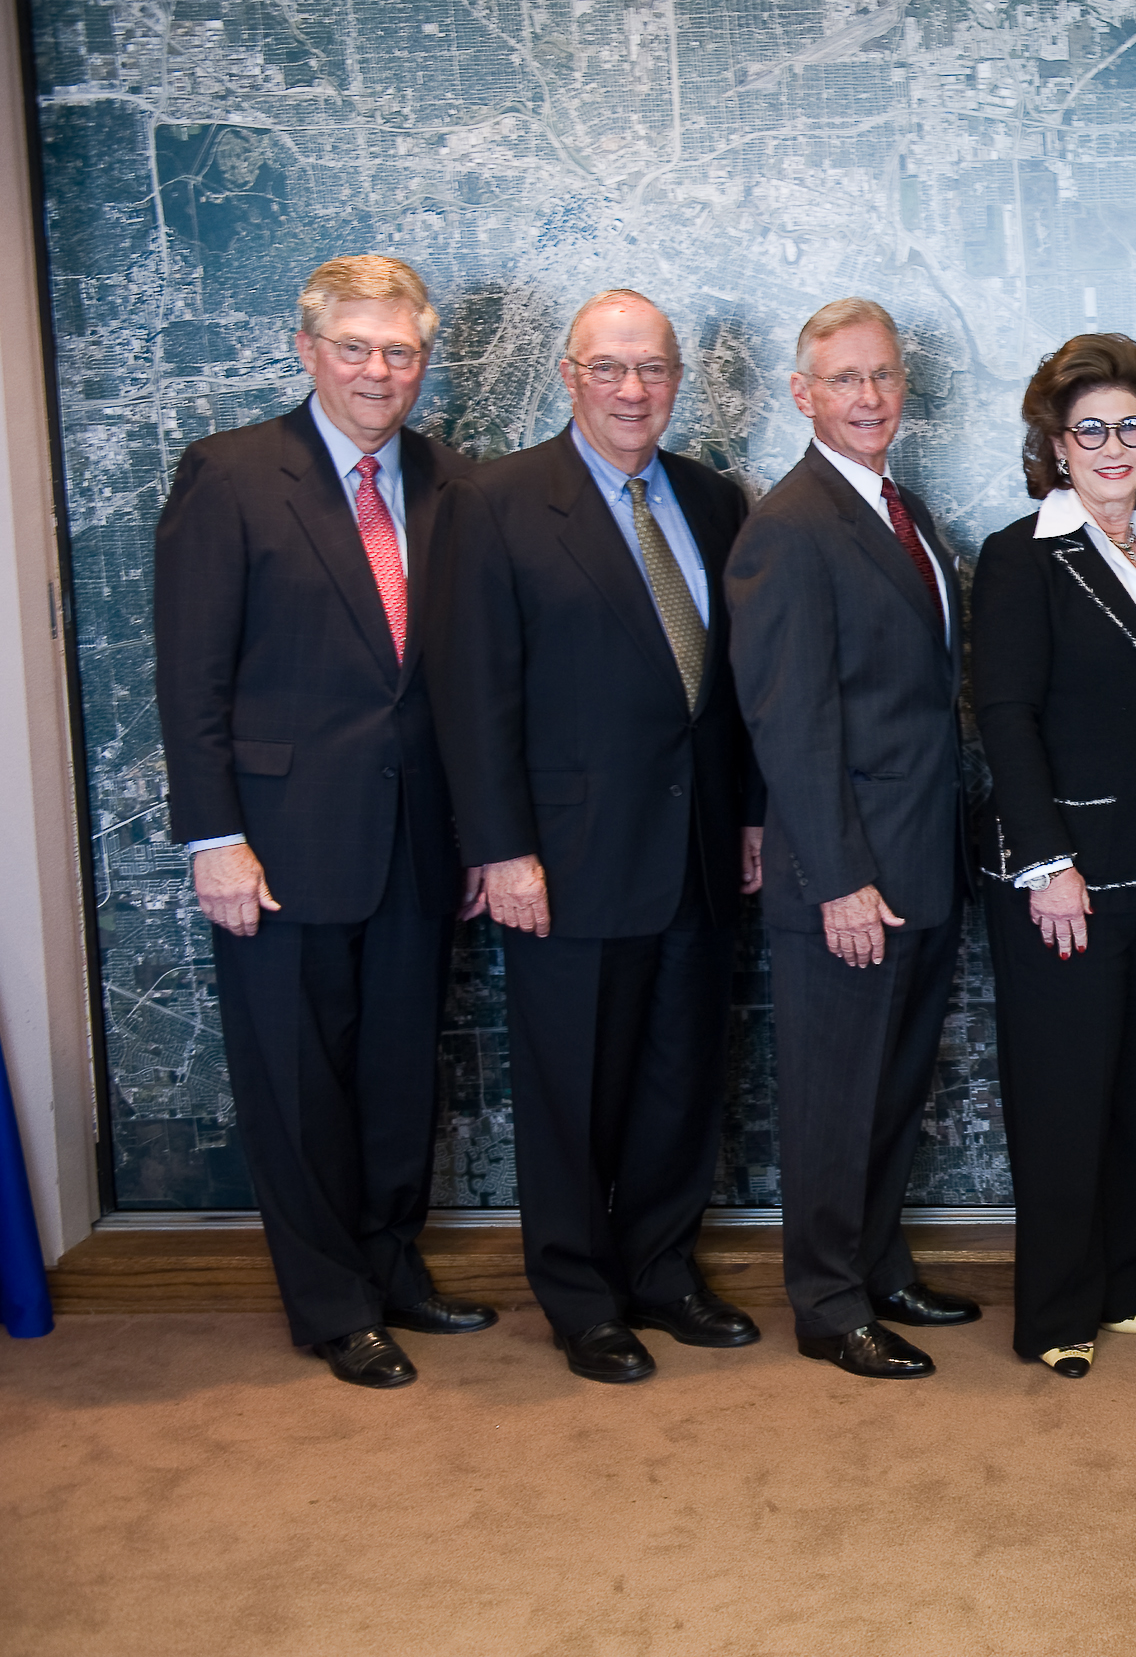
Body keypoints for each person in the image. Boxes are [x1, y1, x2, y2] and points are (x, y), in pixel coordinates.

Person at [152, 255, 492, 1388]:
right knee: (299, 1083)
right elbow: (189, 678)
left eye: (399, 351)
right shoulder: (233, 475)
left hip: (417, 838)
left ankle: (392, 1266)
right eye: (355, 347)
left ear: (423, 361)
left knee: (400, 1074)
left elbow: (464, 680)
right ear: (308, 352)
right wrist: (214, 840)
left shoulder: (454, 482)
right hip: (276, 845)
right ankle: (331, 1302)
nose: (378, 370)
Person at [432, 289, 766, 1384]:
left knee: (681, 1079)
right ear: (570, 376)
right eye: (612, 369)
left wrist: (754, 815)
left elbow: (737, 689)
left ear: (678, 380)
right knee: (572, 1086)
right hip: (564, 861)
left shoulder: (717, 501)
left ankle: (662, 1274)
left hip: (700, 850)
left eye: (655, 369)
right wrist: (500, 847)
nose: (635, 390)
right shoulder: (498, 502)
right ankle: (581, 1297)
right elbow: (474, 692)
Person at [726, 298, 982, 1381]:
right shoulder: (788, 526)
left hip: (921, 858)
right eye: (844, 380)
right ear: (802, 395)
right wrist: (837, 880)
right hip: (848, 874)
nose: (868, 397)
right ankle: (830, 1303)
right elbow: (789, 721)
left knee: (891, 1089)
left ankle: (879, 1264)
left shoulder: (900, 506)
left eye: (881, 377)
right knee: (834, 1099)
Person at [971, 333, 1136, 1380]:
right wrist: (1044, 861)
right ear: (1057, 447)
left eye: (1132, 428)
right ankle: (1054, 1312)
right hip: (1066, 875)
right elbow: (1003, 718)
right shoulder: (1023, 554)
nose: (1114, 448)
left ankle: (1122, 1290)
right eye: (1091, 430)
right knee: (1062, 1097)